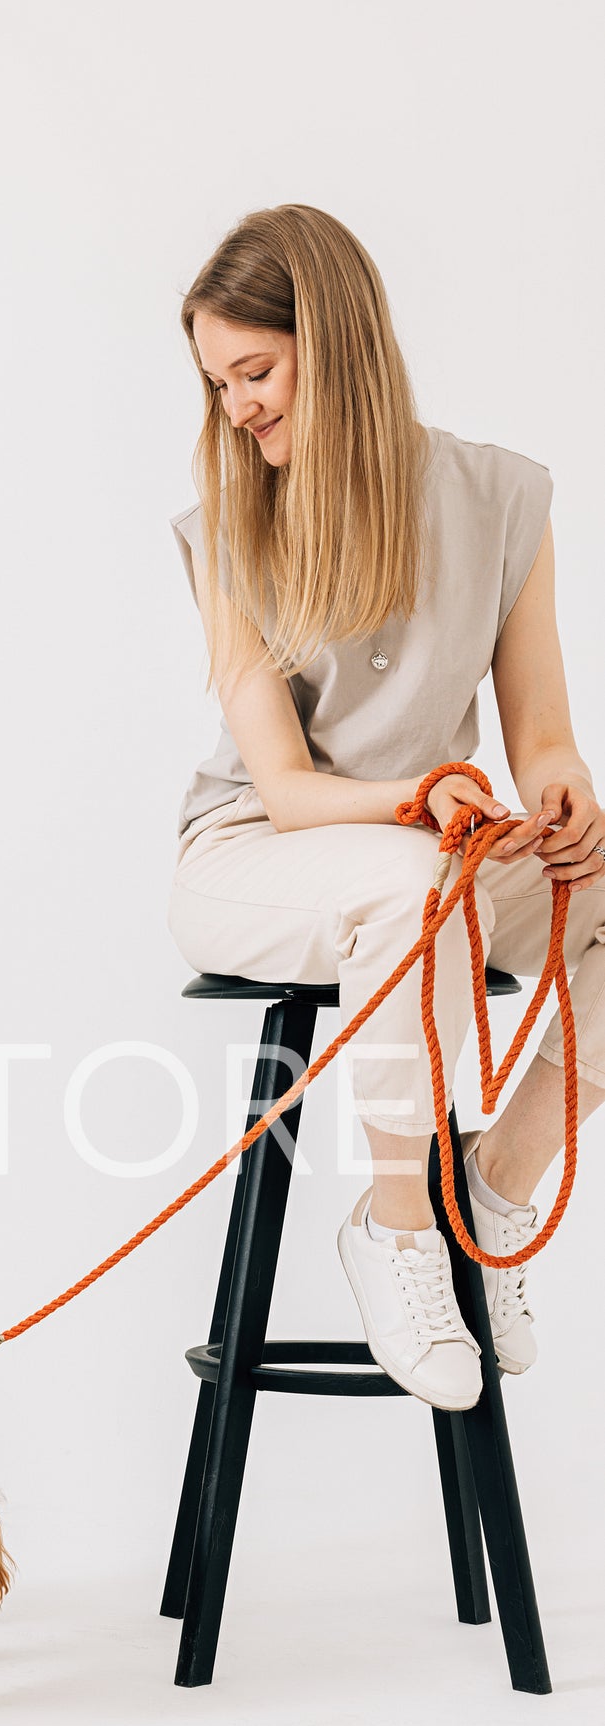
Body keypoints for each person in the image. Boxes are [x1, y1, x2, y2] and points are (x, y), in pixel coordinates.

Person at [165, 203, 605, 1413]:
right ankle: (394, 1226)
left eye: (253, 371)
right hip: (260, 852)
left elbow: (545, 740)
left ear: (336, 342)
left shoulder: (503, 502)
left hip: (433, 850)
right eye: (216, 385)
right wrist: (417, 801)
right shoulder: (225, 533)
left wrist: (563, 798)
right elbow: (291, 792)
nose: (236, 407)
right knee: (413, 892)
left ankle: (492, 1187)